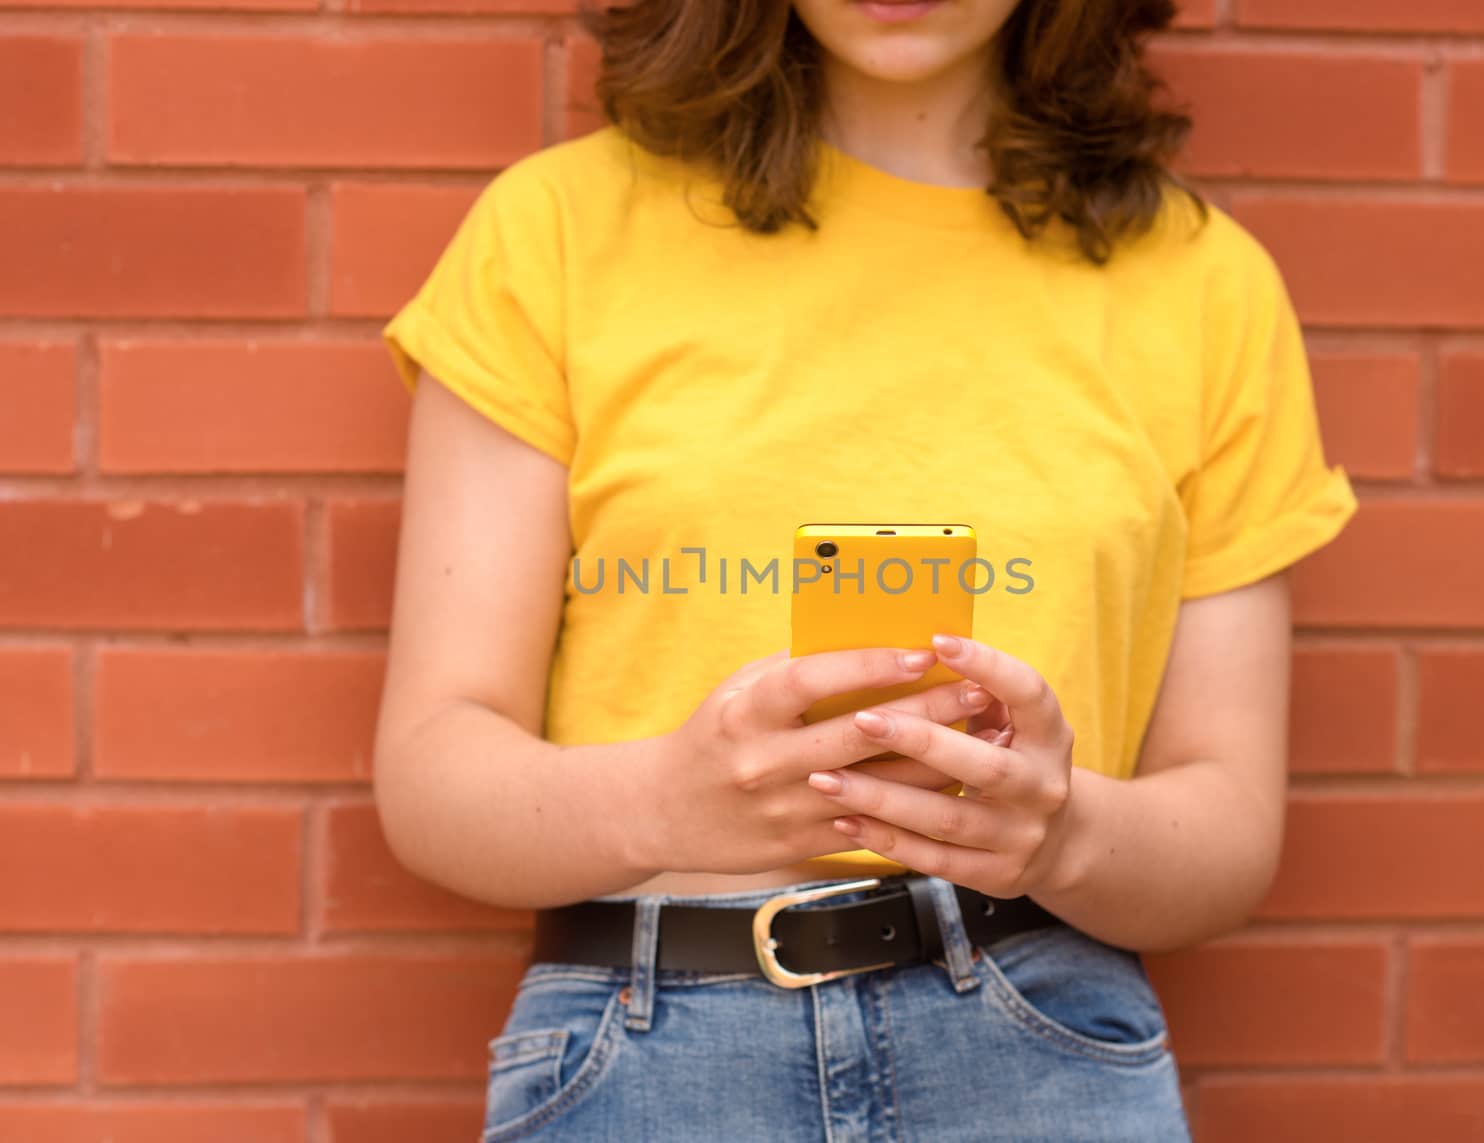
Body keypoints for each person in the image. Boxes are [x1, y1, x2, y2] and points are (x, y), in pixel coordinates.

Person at [373, 0, 1358, 1138]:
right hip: (649, 1055)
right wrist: (665, 802)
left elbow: (1230, 829)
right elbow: (435, 772)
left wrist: (1062, 833)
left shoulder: (1204, 283)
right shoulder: (553, 230)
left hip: (1042, 1051)